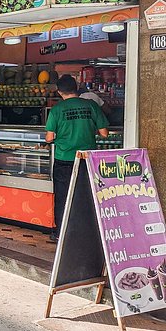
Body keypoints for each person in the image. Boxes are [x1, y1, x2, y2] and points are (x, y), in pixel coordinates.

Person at [46, 75, 109, 242]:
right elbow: (104, 133)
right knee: (87, 195)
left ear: (59, 92)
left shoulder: (57, 110)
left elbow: (49, 138)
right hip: (87, 159)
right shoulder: (91, 105)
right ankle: (88, 232)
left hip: (64, 159)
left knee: (62, 197)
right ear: (77, 88)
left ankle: (60, 232)